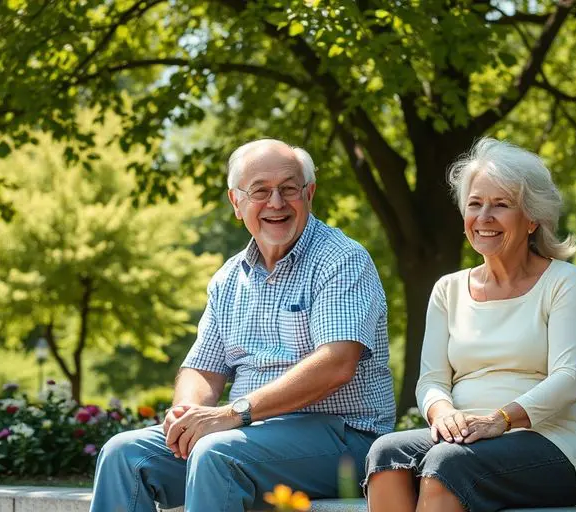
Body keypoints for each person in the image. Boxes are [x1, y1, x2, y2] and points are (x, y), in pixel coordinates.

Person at [89, 139, 396, 512]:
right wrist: (188, 414)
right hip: (251, 432)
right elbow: (202, 368)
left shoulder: (342, 260)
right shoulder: (229, 278)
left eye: (288, 189)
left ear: (310, 194)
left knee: (217, 454)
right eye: (260, 191)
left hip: (344, 437)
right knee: (124, 454)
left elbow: (337, 363)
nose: (276, 203)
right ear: (237, 203)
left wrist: (232, 414)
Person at [364, 138, 576, 512]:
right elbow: (432, 381)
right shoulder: (448, 289)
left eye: (501, 205)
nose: (484, 217)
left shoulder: (565, 282)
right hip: (465, 437)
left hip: (552, 442)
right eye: (475, 204)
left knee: (446, 464)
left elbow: (569, 378)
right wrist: (445, 416)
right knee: (386, 453)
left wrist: (500, 420)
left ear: (532, 218)